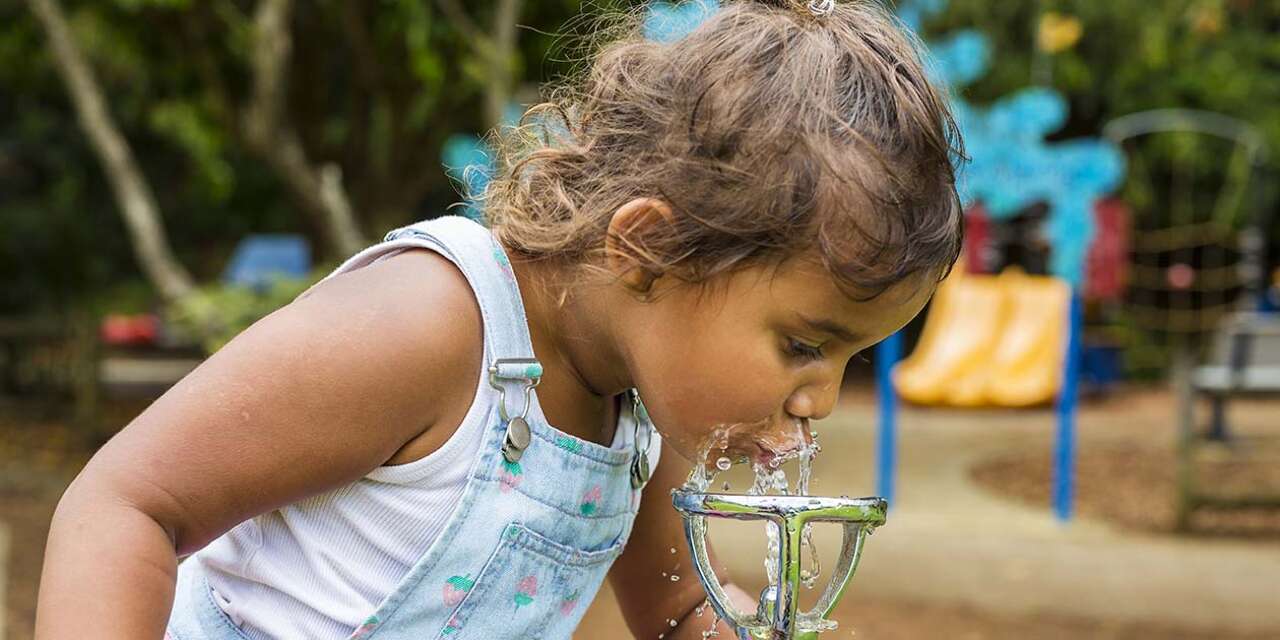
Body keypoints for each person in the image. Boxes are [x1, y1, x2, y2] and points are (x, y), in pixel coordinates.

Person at [35, 1, 963, 638]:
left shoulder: (633, 413)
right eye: (806, 345)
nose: (823, 403)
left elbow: (680, 615)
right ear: (650, 250)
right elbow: (125, 506)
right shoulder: (430, 328)